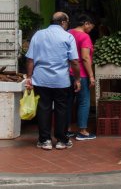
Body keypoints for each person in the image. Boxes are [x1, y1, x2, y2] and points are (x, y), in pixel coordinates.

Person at [25, 12, 81, 151]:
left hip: (41, 79)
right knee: (62, 109)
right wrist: (78, 79)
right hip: (61, 80)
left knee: (44, 108)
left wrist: (29, 77)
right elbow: (74, 61)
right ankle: (62, 140)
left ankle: (45, 141)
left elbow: (30, 59)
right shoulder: (68, 36)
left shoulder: (38, 35)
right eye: (67, 22)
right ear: (63, 22)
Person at [66, 14, 96, 141]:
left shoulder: (68, 33)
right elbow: (84, 57)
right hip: (81, 74)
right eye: (91, 26)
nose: (91, 29)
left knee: (68, 102)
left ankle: (66, 130)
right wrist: (91, 75)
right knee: (84, 102)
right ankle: (82, 131)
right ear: (86, 23)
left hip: (67, 73)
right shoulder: (84, 36)